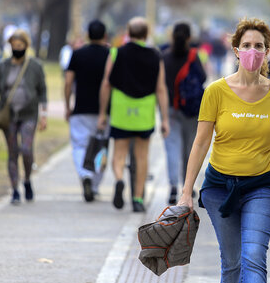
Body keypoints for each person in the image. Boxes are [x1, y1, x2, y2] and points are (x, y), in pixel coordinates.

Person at [177, 18, 270, 282]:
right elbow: (200, 143)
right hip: (220, 187)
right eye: (246, 45)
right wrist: (187, 191)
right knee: (232, 264)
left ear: (267, 51)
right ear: (235, 49)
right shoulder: (216, 91)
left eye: (259, 46)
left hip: (263, 185)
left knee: (254, 258)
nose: (252, 51)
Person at [97, 17, 170, 212]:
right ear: (146, 35)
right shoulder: (155, 55)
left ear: (128, 33)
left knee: (119, 154)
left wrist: (102, 113)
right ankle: (138, 199)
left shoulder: (116, 53)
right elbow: (161, 88)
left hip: (121, 110)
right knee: (142, 156)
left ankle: (120, 179)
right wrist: (164, 119)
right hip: (144, 113)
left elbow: (106, 83)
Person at [0, 29, 48, 204]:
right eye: (14, 46)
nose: (17, 48)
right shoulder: (3, 67)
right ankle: (15, 189)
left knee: (26, 149)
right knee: (12, 152)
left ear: (26, 46)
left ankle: (27, 180)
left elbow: (42, 92)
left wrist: (44, 115)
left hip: (29, 114)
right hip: (8, 117)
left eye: (20, 45)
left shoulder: (35, 67)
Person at [64, 20, 110, 202]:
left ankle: (85, 176)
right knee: (101, 147)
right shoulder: (110, 55)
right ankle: (96, 185)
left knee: (79, 145)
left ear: (88, 35)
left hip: (81, 108)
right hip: (105, 110)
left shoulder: (77, 54)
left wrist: (68, 106)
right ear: (105, 36)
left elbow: (68, 82)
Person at [163, 22, 207, 205]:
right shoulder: (194, 56)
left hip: (171, 108)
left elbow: (161, 84)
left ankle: (173, 186)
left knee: (172, 147)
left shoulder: (164, 57)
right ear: (189, 38)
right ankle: (187, 187)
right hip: (191, 110)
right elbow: (203, 78)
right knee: (189, 148)